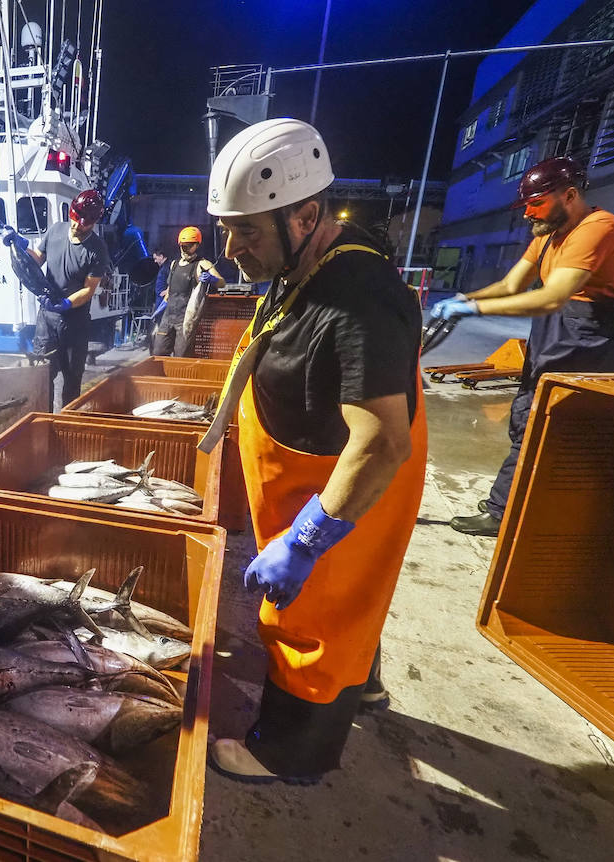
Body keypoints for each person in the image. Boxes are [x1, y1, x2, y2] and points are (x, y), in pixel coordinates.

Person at [198, 118, 427, 783]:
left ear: (305, 214)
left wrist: (307, 537)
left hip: (339, 496)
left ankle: (288, 753)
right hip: (306, 474)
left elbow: (383, 441)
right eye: (226, 229)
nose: (232, 247)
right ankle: (368, 685)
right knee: (354, 606)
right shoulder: (311, 260)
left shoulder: (357, 299)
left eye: (248, 231)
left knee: (313, 622)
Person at [433, 156, 614, 537]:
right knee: (526, 410)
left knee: (546, 420)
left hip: (594, 337)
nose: (528, 212)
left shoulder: (597, 229)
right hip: (559, 330)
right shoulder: (548, 233)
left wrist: (476, 309)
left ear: (570, 195)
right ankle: (519, 497)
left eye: (537, 202)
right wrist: (466, 298)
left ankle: (502, 511)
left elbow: (551, 297)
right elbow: (511, 286)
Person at [2, 189, 112, 408]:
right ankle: (42, 421)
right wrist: (18, 244)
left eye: (83, 224)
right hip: (47, 320)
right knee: (41, 376)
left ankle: (65, 426)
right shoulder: (55, 230)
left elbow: (89, 290)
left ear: (93, 222)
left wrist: (66, 303)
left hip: (75, 322)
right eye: (74, 219)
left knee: (72, 381)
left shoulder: (97, 249)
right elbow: (37, 260)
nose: (76, 226)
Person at [151, 226, 224, 356]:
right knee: (158, 352)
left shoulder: (202, 264)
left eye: (189, 246)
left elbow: (222, 283)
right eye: (183, 246)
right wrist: (161, 307)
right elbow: (170, 290)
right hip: (168, 316)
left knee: (181, 355)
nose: (185, 249)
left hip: (186, 319)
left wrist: (212, 279)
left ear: (196, 245)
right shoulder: (174, 264)